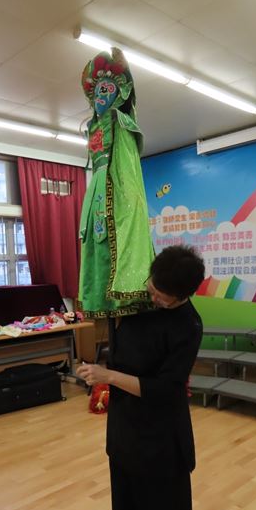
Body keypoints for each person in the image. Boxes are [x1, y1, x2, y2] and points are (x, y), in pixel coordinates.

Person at [77, 245, 205, 510]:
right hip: (125, 410)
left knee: (164, 492)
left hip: (161, 419)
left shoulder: (188, 325)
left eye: (162, 296)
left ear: (183, 295)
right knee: (122, 471)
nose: (153, 297)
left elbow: (165, 389)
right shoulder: (139, 301)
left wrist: (108, 376)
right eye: (152, 288)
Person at [78, 47, 154, 317]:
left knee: (118, 237)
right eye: (98, 90)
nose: (102, 96)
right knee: (97, 242)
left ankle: (124, 293)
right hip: (97, 191)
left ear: (118, 94)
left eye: (108, 90)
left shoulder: (120, 122)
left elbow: (125, 165)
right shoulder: (93, 127)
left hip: (116, 186)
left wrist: (126, 201)